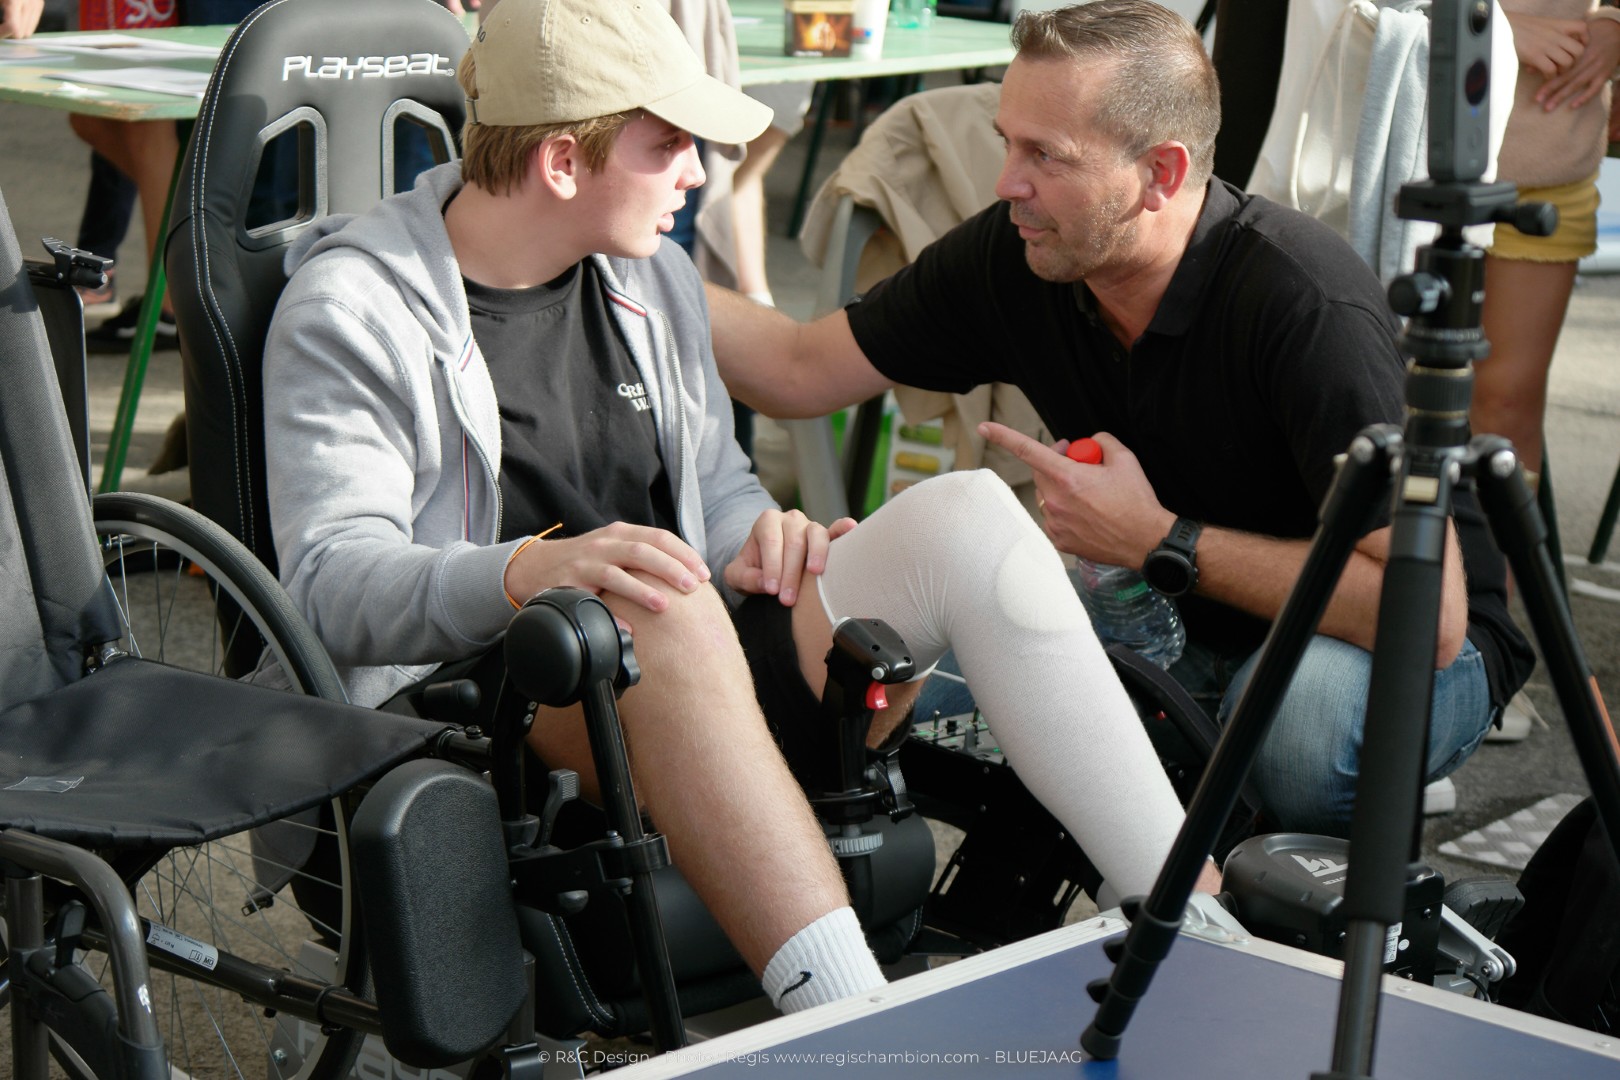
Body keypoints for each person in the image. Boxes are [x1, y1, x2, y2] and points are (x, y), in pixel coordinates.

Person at [263, 0, 1217, 1015]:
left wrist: (762, 534)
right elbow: (328, 585)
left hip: (679, 654)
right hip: (486, 709)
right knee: (655, 603)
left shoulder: (655, 277)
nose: (698, 173)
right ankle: (849, 1029)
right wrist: (526, 571)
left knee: (968, 518)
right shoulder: (353, 308)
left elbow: (717, 486)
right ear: (562, 163)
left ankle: (1192, 927)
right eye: (668, 144)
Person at [705, 0, 1537, 838]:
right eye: (1006, 142)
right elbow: (797, 368)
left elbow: (1427, 618)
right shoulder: (1022, 252)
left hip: (1404, 646)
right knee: (885, 660)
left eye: (1044, 155)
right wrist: (643, 259)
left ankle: (1295, 858)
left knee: (1296, 728)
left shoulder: (1302, 301)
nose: (1006, 183)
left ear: (1161, 174)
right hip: (1171, 619)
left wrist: (1158, 539)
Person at [1473, 2, 1620, 491]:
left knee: (1505, 409)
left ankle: (1491, 546)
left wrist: (1615, 24)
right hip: (1391, 151)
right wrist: (1481, 23)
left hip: (1549, 151)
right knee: (1376, 396)